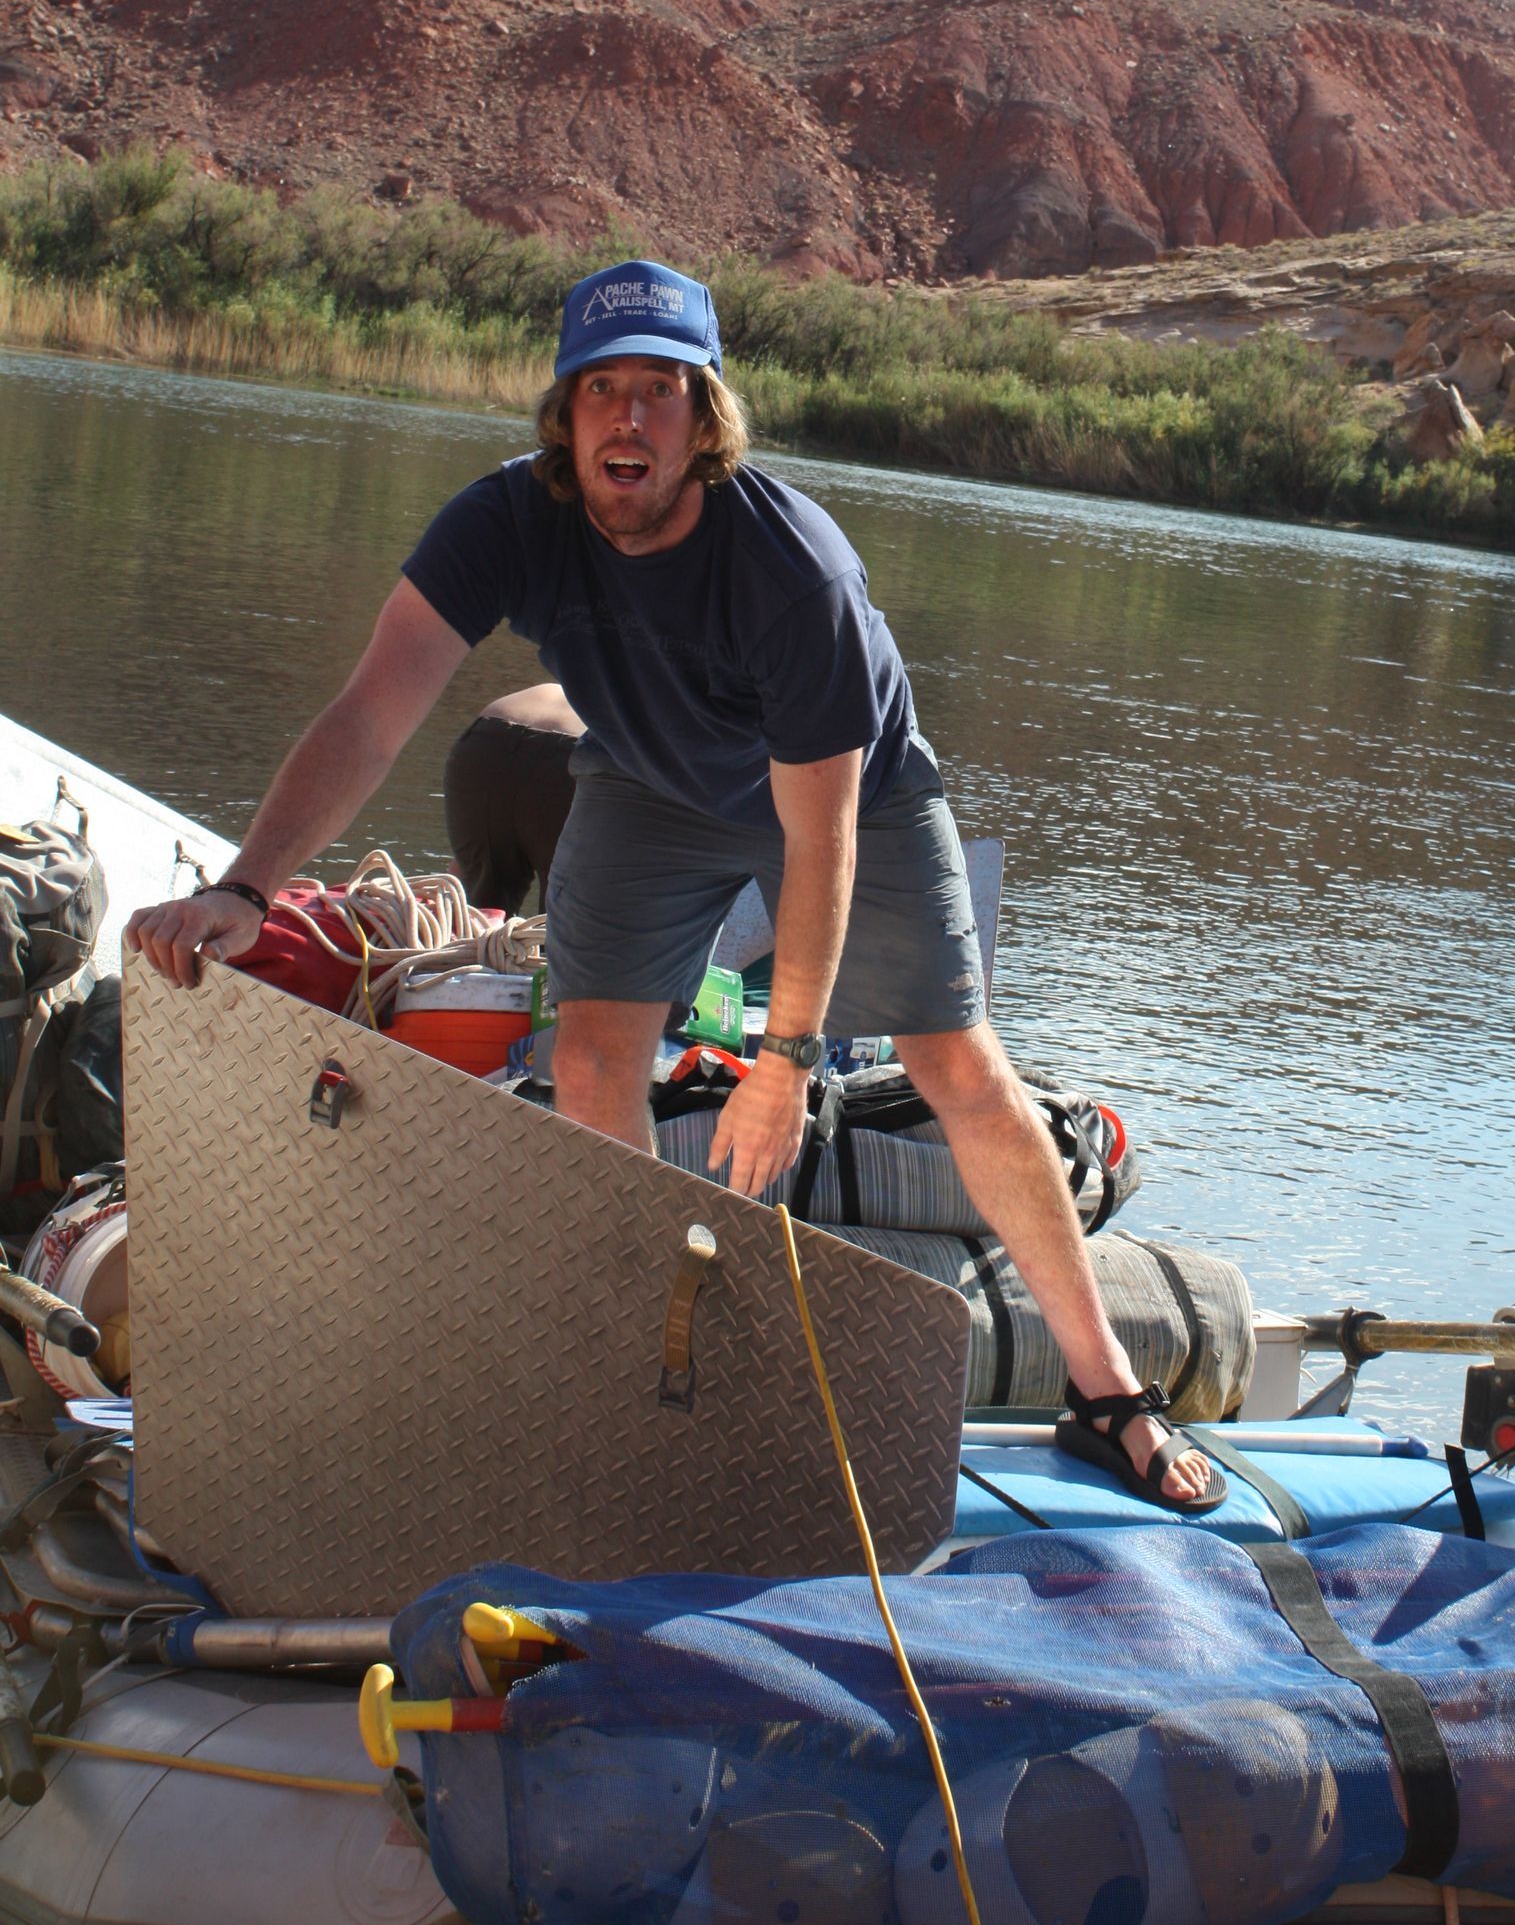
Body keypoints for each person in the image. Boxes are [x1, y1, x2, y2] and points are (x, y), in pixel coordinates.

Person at [126, 259, 1219, 1511]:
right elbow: (374, 708)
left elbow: (820, 844)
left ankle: (1106, 1391)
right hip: (647, 778)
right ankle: (645, 1356)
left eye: (661, 390)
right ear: (565, 415)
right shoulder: (505, 521)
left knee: (955, 1065)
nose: (628, 420)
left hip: (841, 797)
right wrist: (248, 891)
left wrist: (787, 1063)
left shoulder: (790, 570)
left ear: (705, 421)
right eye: (603, 391)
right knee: (592, 1060)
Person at [442, 683, 582, 913]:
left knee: (475, 916)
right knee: (567, 926)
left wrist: (473, 865)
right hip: (576, 753)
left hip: (487, 739)